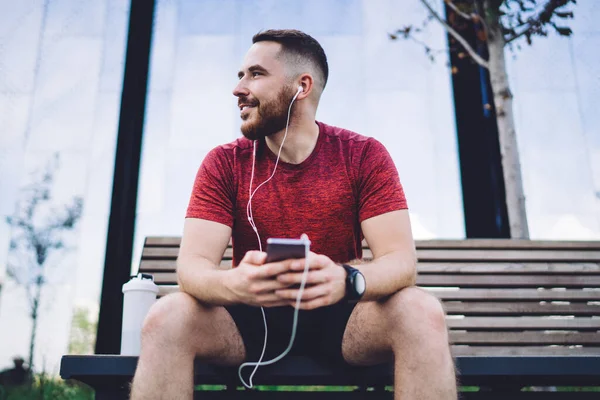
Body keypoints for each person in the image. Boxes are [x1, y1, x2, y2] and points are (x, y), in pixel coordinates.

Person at [131, 29, 457, 399]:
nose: (238, 88)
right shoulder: (224, 162)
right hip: (251, 318)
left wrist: (346, 280)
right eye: (240, 75)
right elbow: (192, 267)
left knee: (421, 311)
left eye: (255, 74)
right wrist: (234, 284)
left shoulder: (363, 155)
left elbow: (401, 262)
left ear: (301, 87)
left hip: (343, 316)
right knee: (166, 317)